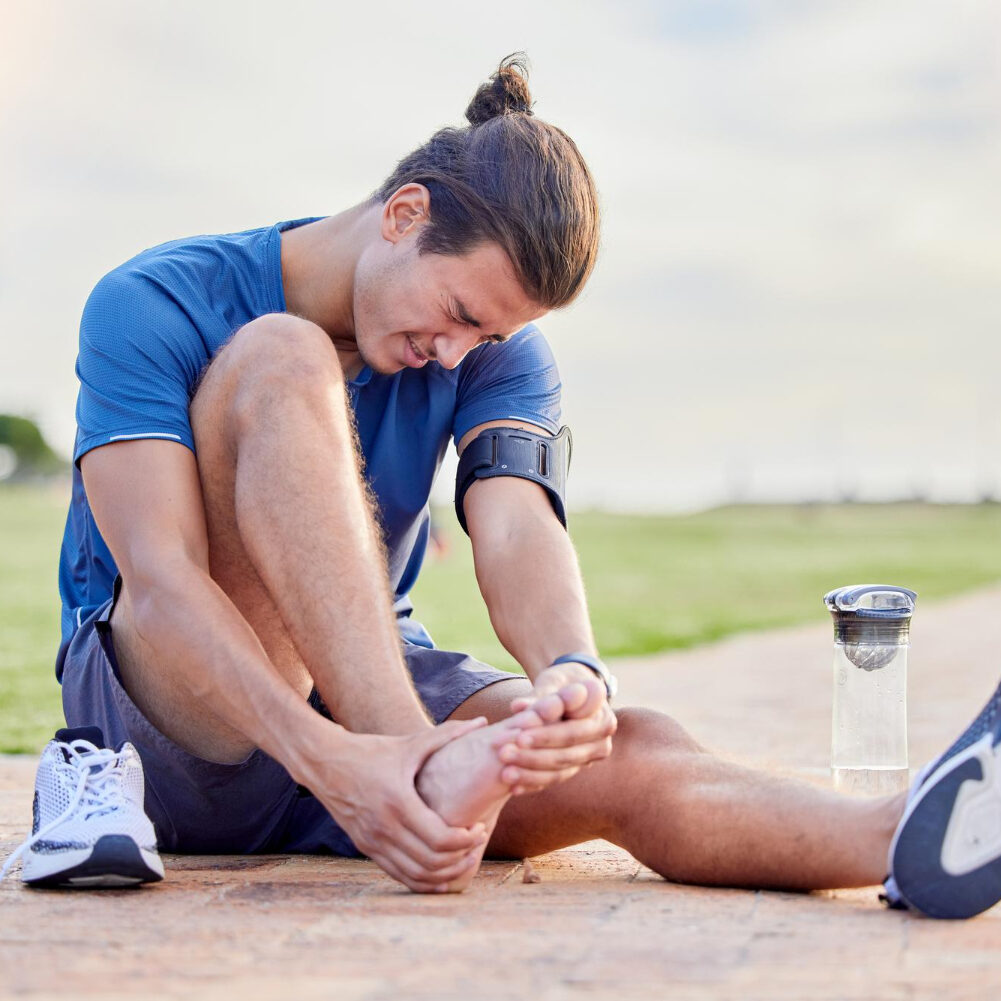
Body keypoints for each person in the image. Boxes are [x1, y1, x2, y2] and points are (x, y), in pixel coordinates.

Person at [3, 56, 1000, 919]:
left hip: (370, 695)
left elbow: (516, 522)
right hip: (181, 723)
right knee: (280, 357)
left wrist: (571, 666)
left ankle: (903, 831)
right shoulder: (156, 298)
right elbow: (162, 583)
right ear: (402, 215)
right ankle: (420, 764)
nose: (456, 351)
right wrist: (346, 758)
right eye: (456, 312)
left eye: (484, 336)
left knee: (632, 743)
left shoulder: (494, 344)